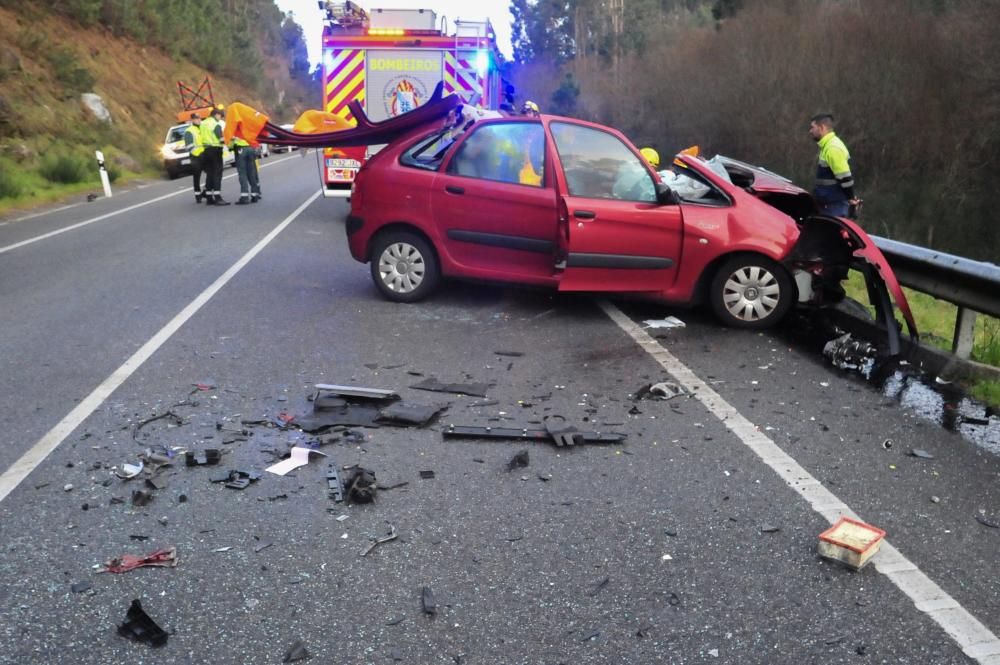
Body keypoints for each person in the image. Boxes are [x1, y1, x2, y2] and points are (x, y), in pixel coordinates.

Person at [808, 113, 859, 217]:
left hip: (833, 207)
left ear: (822, 127)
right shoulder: (828, 145)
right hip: (828, 205)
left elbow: (845, 179)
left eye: (813, 127)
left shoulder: (833, 148)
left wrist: (851, 198)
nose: (810, 131)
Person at [200, 104, 229, 205]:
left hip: (206, 150)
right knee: (217, 173)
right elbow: (221, 139)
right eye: (220, 116)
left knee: (210, 173)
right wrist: (228, 140)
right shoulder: (215, 124)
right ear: (216, 115)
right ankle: (217, 197)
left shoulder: (203, 123)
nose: (220, 118)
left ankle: (209, 197)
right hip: (215, 150)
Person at [231, 135, 261, 204]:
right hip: (251, 148)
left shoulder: (235, 126)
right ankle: (255, 195)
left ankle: (244, 197)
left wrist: (230, 146)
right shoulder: (249, 125)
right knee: (251, 172)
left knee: (242, 173)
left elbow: (230, 141)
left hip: (241, 149)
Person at [184, 114, 206, 202]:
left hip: (205, 155)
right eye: (196, 119)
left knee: (211, 174)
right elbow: (189, 146)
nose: (198, 120)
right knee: (197, 176)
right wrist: (197, 154)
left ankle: (205, 192)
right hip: (196, 157)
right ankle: (197, 195)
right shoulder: (189, 131)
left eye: (199, 118)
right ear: (192, 120)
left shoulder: (202, 128)